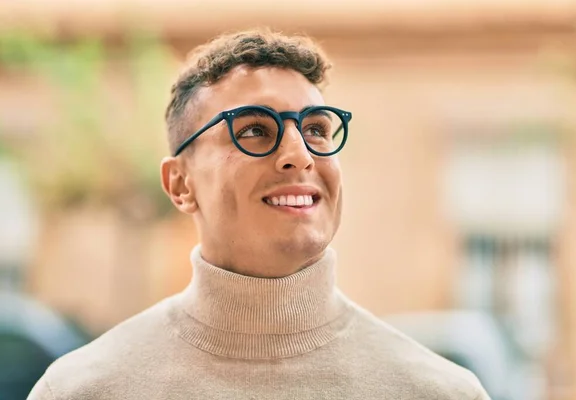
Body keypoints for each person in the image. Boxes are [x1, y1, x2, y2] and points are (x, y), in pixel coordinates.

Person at [28, 29, 491, 400]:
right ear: (180, 184)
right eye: (253, 129)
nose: (299, 154)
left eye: (315, 128)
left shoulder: (437, 391)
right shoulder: (83, 390)